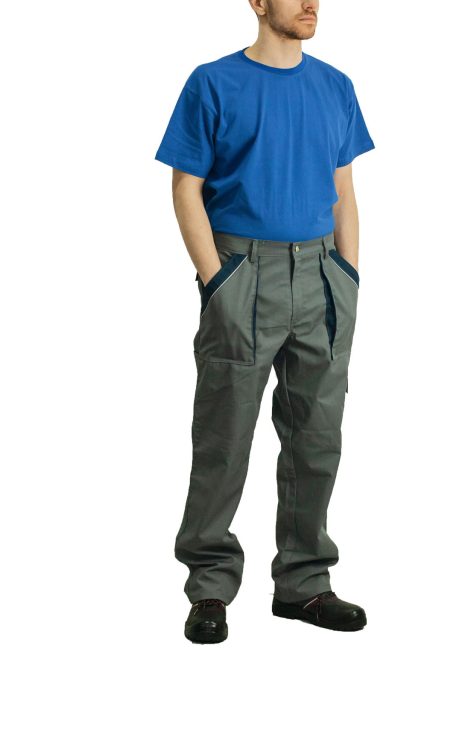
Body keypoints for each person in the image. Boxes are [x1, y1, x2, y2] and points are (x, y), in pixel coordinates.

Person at [154, 0, 375, 644]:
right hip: (241, 271)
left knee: (317, 438)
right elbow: (186, 187)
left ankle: (304, 584)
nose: (311, 3)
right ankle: (210, 586)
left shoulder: (336, 86)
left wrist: (347, 275)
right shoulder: (213, 83)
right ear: (256, 1)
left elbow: (344, 189)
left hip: (322, 276)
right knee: (223, 437)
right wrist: (216, 278)